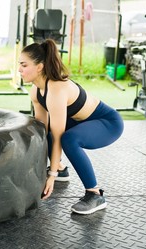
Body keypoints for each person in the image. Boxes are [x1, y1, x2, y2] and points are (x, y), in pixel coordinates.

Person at [19, 39, 124, 215]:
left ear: (39, 67)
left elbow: (59, 136)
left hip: (107, 122)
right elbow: (43, 130)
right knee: (44, 130)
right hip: (81, 121)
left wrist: (50, 175)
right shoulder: (36, 91)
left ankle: (94, 194)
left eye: (24, 65)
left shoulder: (56, 90)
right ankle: (60, 169)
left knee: (69, 139)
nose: (19, 70)